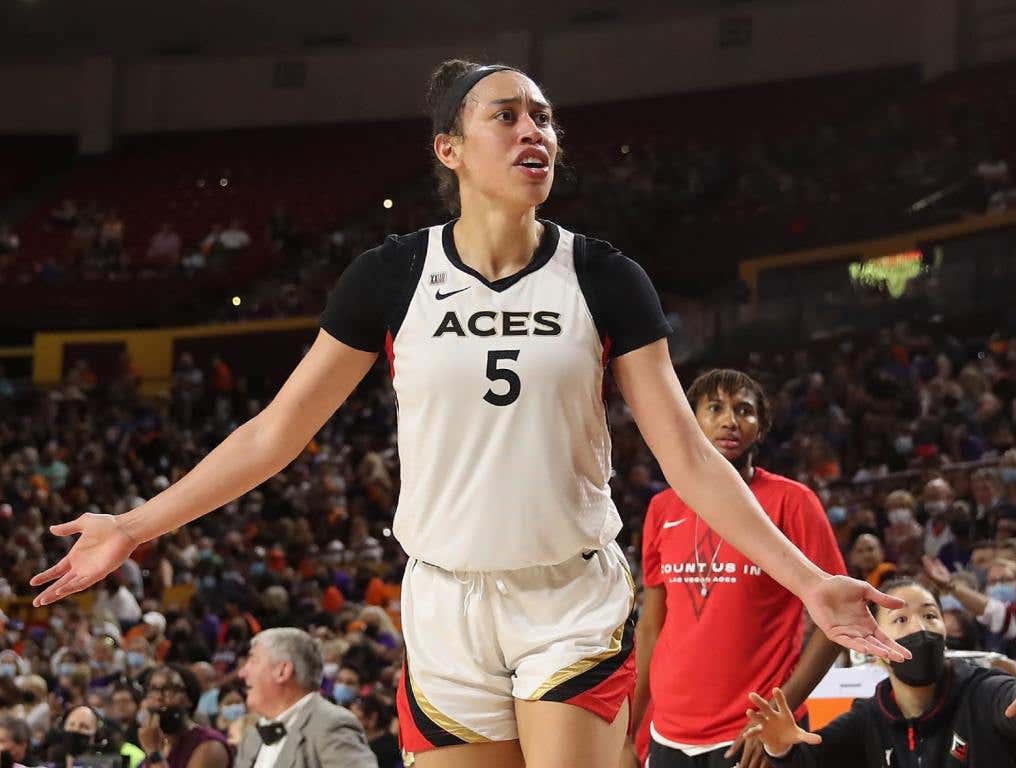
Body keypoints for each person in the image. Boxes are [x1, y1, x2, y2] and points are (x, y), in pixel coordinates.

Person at [31, 59, 909, 768]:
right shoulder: (390, 275)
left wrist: (807, 579)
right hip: (444, 597)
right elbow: (276, 432)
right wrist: (135, 527)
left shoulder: (605, 276)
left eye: (546, 117)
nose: (537, 130)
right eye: (509, 115)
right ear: (450, 150)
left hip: (566, 595)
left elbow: (685, 453)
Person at [630, 370, 847, 768]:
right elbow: (650, 625)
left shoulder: (793, 502)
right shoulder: (662, 508)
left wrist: (777, 716)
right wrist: (631, 730)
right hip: (667, 732)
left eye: (743, 410)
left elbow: (836, 625)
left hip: (748, 737)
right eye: (715, 408)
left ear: (761, 427)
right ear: (691, 421)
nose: (730, 420)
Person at [744, 577, 1016, 767]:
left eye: (930, 615)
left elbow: (1007, 699)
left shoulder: (983, 691)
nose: (920, 629)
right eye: (900, 619)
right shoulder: (868, 717)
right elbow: (810, 760)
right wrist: (779, 747)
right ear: (873, 645)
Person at [234, 628, 376, 768]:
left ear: (283, 671)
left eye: (253, 660)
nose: (242, 673)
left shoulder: (331, 725)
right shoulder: (253, 735)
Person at [136, 665, 232, 768]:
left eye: (169, 689)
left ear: (189, 698)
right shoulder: (157, 742)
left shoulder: (210, 746)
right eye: (153, 689)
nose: (159, 697)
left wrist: (154, 753)